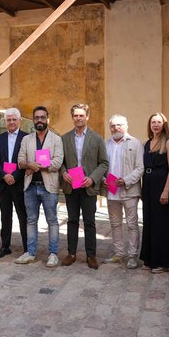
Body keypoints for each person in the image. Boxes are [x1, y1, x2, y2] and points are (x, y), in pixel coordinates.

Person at [60, 103, 108, 269]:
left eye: (81, 115)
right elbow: (60, 161)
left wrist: (93, 179)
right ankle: (71, 253)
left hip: (88, 186)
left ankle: (91, 255)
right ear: (72, 118)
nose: (78, 118)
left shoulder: (97, 138)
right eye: (75, 116)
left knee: (89, 222)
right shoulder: (64, 138)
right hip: (71, 186)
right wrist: (63, 172)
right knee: (72, 220)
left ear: (87, 117)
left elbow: (104, 163)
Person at [14, 106, 63, 267]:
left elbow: (57, 162)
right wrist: (29, 165)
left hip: (49, 187)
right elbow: (20, 160)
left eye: (42, 117)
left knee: (52, 221)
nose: (39, 120)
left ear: (47, 119)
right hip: (30, 186)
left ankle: (53, 254)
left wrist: (37, 166)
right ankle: (30, 252)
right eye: (37, 117)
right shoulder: (26, 139)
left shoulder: (56, 139)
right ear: (33, 120)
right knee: (31, 220)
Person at [102, 114, 144, 269]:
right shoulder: (106, 144)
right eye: (113, 126)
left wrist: (125, 180)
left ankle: (132, 255)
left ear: (126, 126)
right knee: (115, 224)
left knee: (132, 224)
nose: (116, 128)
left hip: (129, 190)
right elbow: (102, 166)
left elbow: (140, 168)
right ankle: (118, 254)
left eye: (119, 125)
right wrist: (103, 179)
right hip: (112, 190)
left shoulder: (135, 143)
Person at [139, 113, 169, 273]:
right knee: (149, 222)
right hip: (148, 185)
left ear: (164, 124)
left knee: (161, 224)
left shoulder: (168, 142)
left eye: (159, 122)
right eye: (153, 122)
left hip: (161, 185)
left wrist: (166, 190)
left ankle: (162, 261)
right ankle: (149, 259)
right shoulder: (147, 143)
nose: (156, 125)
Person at [0, 108, 28, 258]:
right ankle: (5, 246)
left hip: (19, 183)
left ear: (20, 120)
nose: (11, 122)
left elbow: (28, 160)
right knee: (5, 217)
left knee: (23, 216)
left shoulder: (27, 138)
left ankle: (27, 248)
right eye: (9, 120)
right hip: (3, 183)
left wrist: (15, 176)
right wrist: (4, 175)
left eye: (14, 119)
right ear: (5, 121)